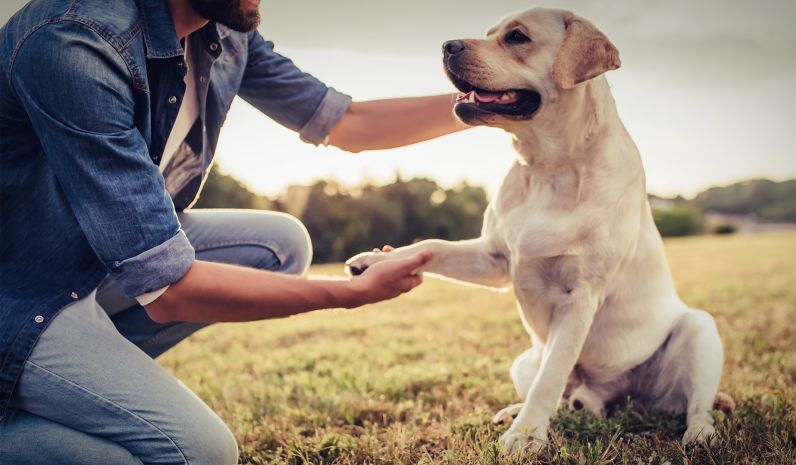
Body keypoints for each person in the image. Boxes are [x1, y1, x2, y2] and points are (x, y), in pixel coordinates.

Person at [0, 0, 466, 462]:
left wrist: (486, 101)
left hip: (90, 263)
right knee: (196, 452)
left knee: (280, 246)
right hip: (23, 293)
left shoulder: (223, 29)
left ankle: (69, 387)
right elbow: (170, 288)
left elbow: (349, 123)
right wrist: (349, 294)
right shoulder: (77, 40)